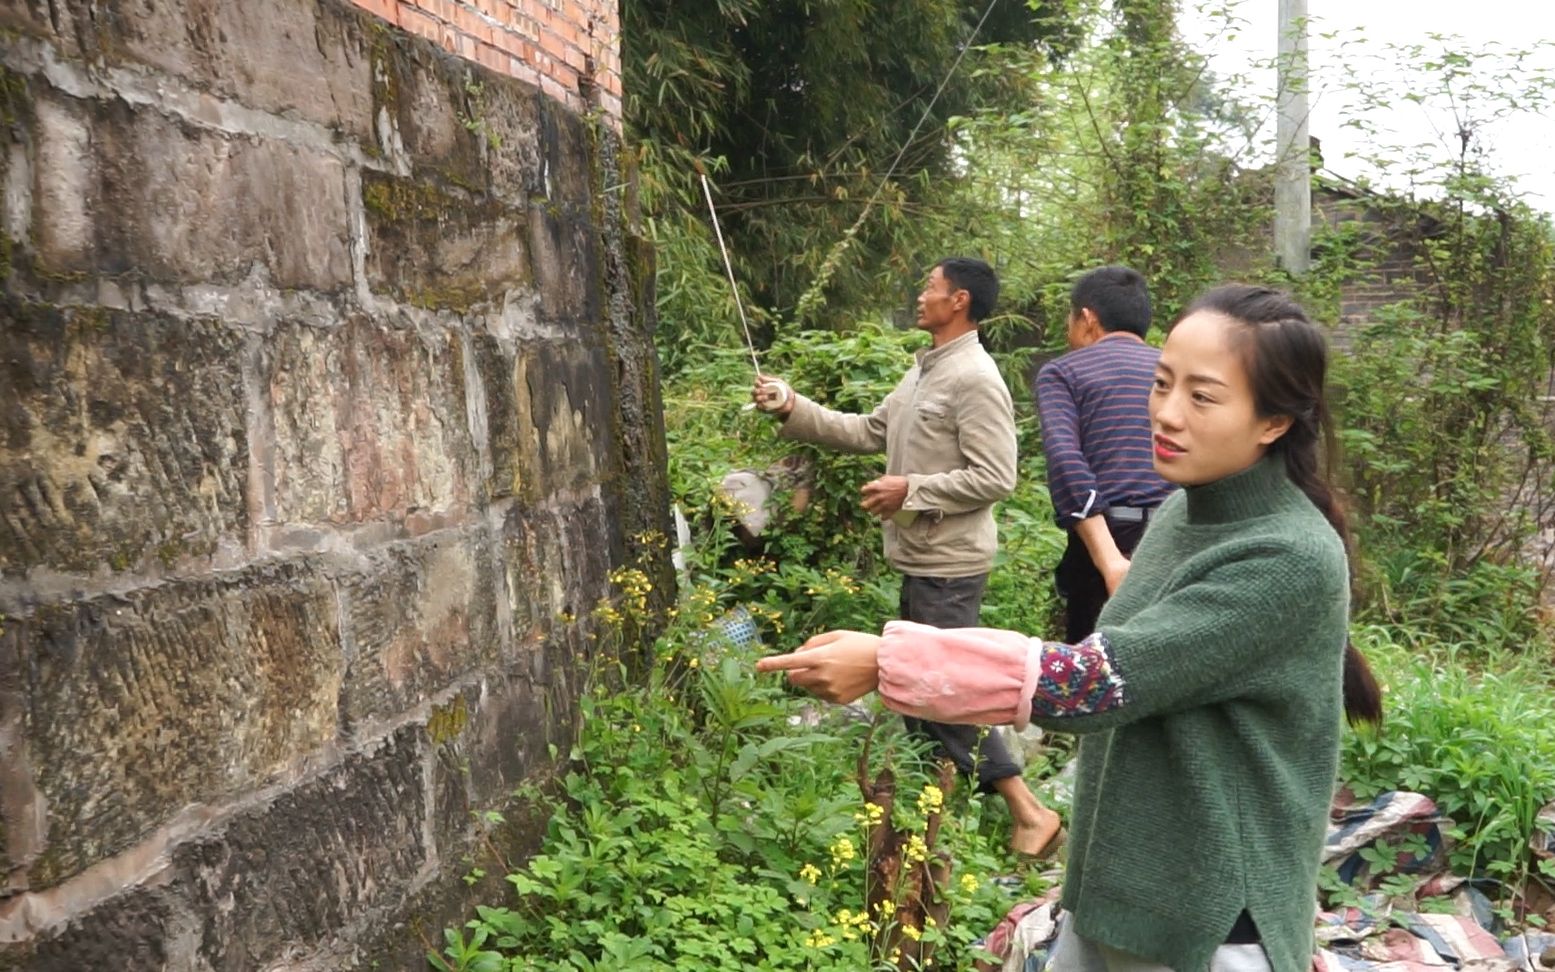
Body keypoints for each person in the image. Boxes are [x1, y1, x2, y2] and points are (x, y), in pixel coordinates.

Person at [757, 285, 1384, 972]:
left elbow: (1099, 681)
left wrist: (888, 661)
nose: (1166, 414)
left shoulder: (1285, 557)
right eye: (1162, 384)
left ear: (1272, 423)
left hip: (1204, 923)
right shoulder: (1184, 510)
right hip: (1112, 893)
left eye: (1202, 397)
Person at [751, 257, 1062, 858]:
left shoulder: (975, 377)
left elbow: (997, 477)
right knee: (922, 696)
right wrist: (791, 404)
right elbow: (867, 430)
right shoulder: (925, 370)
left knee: (941, 691)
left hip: (949, 563)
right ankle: (933, 817)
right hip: (921, 556)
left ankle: (1029, 813)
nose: (921, 295)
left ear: (959, 301)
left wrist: (910, 490)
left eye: (930, 286)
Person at [1037, 266, 1178, 642]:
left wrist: (1109, 561)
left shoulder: (1064, 373)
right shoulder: (1177, 371)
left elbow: (1067, 463)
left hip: (1108, 537)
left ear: (1087, 319)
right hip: (1179, 532)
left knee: (1096, 670)